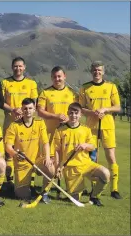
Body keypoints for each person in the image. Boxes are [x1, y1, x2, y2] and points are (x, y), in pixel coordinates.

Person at [79, 61, 122, 199]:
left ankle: (114, 189)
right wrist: (92, 113)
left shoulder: (111, 86)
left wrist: (105, 109)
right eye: (94, 70)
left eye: (99, 70)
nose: (97, 72)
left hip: (107, 126)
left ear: (103, 72)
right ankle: (94, 188)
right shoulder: (85, 88)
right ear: (91, 71)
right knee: (92, 158)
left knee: (110, 156)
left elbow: (118, 107)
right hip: (91, 128)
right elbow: (80, 108)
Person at [53, 102, 110, 206]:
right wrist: (58, 166)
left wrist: (85, 145)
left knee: (105, 173)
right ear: (67, 113)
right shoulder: (60, 130)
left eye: (76, 113)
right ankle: (77, 191)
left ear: (80, 115)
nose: (73, 115)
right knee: (75, 200)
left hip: (86, 164)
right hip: (71, 168)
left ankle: (94, 196)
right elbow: (57, 150)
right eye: (71, 113)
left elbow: (93, 146)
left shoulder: (86, 129)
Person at [37, 66, 78, 195]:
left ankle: (68, 189)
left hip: (67, 134)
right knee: (51, 163)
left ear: (64, 76)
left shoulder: (72, 93)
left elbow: (77, 111)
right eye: (54, 77)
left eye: (59, 76)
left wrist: (69, 119)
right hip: (50, 134)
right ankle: (46, 192)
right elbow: (40, 112)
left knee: (66, 161)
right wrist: (56, 116)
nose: (57, 79)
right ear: (51, 78)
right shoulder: (45, 93)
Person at [5, 98, 55, 202]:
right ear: (22, 110)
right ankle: (26, 190)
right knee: (23, 195)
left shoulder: (40, 123)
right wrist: (15, 154)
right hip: (22, 163)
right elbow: (8, 146)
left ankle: (44, 194)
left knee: (51, 168)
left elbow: (45, 143)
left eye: (30, 108)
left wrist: (47, 158)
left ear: (34, 109)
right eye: (25, 108)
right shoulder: (14, 125)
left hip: (37, 161)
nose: (28, 111)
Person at [2, 57, 38, 188]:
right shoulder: (5, 82)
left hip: (27, 122)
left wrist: (23, 112)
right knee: (9, 151)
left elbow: (34, 102)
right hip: (10, 122)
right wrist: (13, 109)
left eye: (20, 66)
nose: (18, 68)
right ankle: (10, 180)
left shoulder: (31, 83)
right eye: (15, 66)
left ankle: (31, 182)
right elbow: (1, 102)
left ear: (24, 67)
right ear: (12, 67)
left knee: (28, 151)